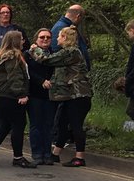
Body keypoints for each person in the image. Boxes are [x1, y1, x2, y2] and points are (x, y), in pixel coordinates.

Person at [32, 25, 92, 167]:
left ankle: (79, 157)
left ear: (64, 38)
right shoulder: (66, 52)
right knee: (62, 123)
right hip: (69, 96)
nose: (56, 39)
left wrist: (34, 49)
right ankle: (56, 154)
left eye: (58, 36)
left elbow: (47, 59)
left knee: (76, 125)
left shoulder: (71, 52)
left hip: (79, 95)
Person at [0, 29, 35, 167]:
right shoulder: (13, 56)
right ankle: (18, 157)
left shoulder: (0, 55)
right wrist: (21, 94)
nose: (24, 41)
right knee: (18, 125)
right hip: (9, 96)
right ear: (16, 41)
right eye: (22, 39)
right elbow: (15, 78)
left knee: (4, 125)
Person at [26, 28, 57, 164]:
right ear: (36, 40)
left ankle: (47, 153)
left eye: (48, 37)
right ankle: (37, 153)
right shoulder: (29, 54)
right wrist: (41, 81)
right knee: (36, 124)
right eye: (42, 37)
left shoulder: (54, 54)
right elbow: (28, 72)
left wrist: (52, 81)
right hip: (34, 94)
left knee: (48, 124)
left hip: (50, 95)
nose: (45, 40)